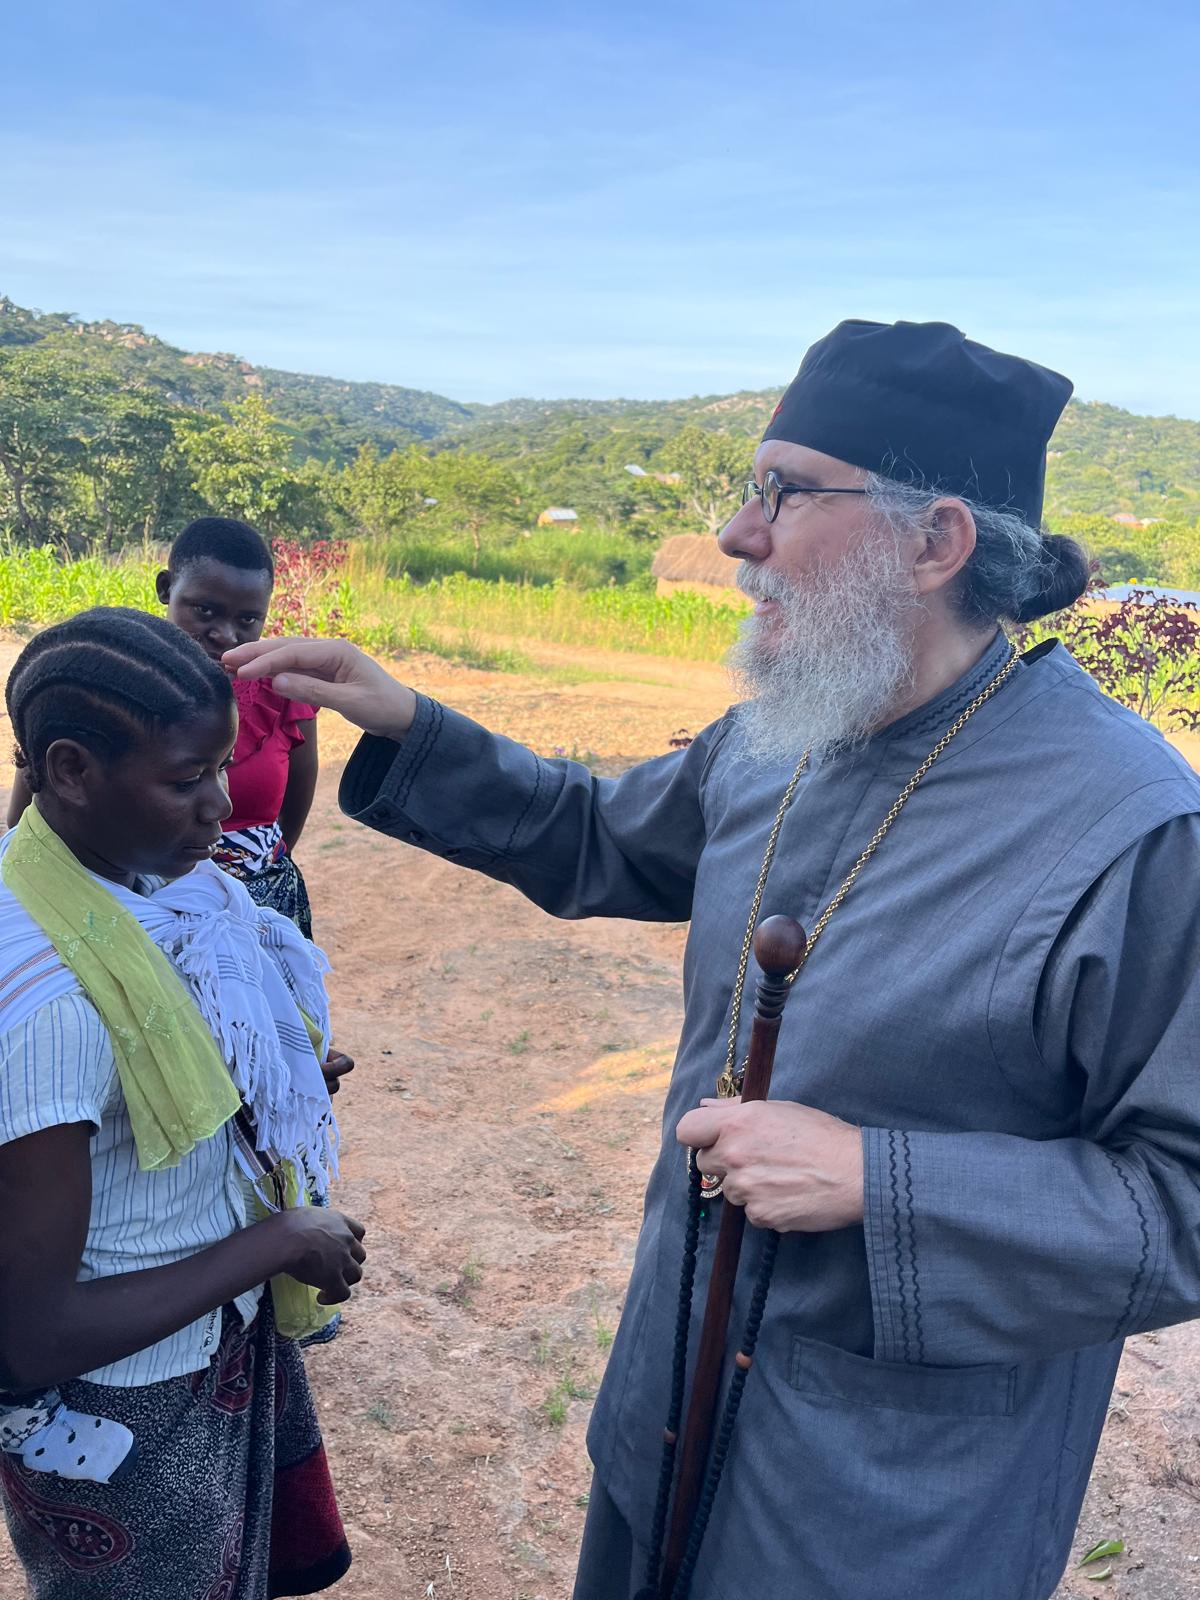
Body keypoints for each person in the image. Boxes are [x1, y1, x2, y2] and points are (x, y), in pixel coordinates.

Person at [227, 320, 1200, 1600]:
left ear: (936, 542)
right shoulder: (776, 738)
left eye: (784, 493)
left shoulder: (1129, 828)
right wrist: (406, 716)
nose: (741, 535)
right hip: (666, 1407)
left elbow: (1180, 1200)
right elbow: (594, 832)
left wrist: (881, 1179)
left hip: (887, 1504)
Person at [0, 608, 364, 1598]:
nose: (220, 806)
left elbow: (142, 1086)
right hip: (129, 1401)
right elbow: (35, 1333)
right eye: (186, 777)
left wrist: (262, 1080)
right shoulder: (54, 1006)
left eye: (221, 767)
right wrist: (283, 1238)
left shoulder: (112, 887)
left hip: (199, 1339)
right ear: (70, 771)